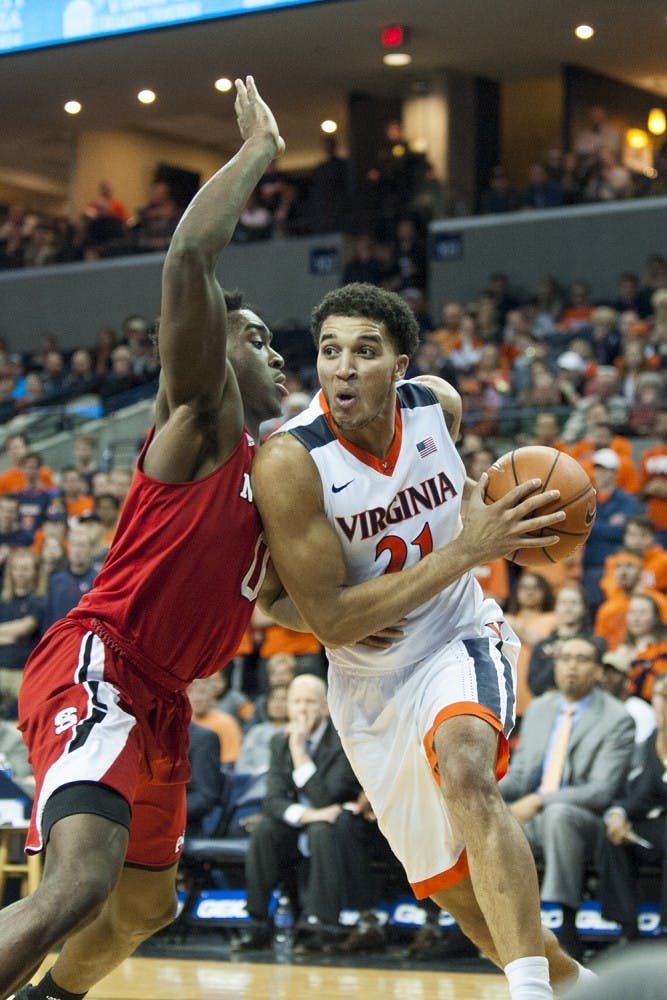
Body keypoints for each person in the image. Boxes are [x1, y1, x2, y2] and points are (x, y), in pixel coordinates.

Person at [0, 76, 287, 1000]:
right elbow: (186, 263)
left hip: (160, 696)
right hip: (102, 662)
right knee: (79, 885)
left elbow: (282, 599)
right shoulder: (203, 419)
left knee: (143, 906)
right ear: (219, 346)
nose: (272, 348)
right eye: (254, 334)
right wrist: (256, 155)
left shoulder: (283, 475)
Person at [252, 281, 588, 997]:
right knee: (466, 904)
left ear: (400, 364)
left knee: (465, 768)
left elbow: (452, 490)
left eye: (364, 351)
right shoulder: (291, 462)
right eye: (329, 351)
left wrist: (497, 512)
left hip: (456, 633)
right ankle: (576, 985)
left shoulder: (437, 406)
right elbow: (325, 617)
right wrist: (469, 548)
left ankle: (527, 992)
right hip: (366, 679)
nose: (342, 367)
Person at [499, 636, 635, 961]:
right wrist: (479, 792)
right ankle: (488, 924)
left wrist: (541, 800)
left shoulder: (617, 718)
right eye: (564, 658)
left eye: (582, 658)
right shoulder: (540, 708)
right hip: (533, 817)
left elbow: (602, 789)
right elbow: (518, 776)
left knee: (559, 813)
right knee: (483, 813)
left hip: (587, 822)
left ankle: (565, 923)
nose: (571, 665)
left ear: (599, 671)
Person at [596, 671, 667, 945]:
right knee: (614, 837)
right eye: (658, 696)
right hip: (657, 827)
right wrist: (619, 815)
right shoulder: (651, 741)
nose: (661, 703)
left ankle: (664, 933)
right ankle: (627, 930)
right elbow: (640, 794)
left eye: (666, 696)